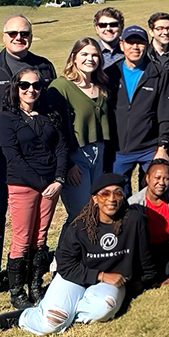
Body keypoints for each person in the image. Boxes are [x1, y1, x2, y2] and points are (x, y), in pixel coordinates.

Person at [0, 174, 157, 333]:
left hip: (110, 284)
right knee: (51, 323)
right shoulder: (80, 226)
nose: (111, 199)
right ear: (95, 199)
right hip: (76, 277)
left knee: (105, 307)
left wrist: (146, 282)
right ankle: (25, 317)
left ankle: (64, 312)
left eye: (118, 193)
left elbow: (145, 258)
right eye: (104, 194)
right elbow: (65, 265)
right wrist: (100, 275)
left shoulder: (134, 220)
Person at [0, 14, 56, 294]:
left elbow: (52, 112)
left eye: (24, 33)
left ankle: (27, 269)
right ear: (3, 36)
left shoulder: (43, 67)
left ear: (31, 36)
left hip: (36, 159)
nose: (18, 37)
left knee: (34, 220)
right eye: (13, 33)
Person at [0, 67, 67, 309]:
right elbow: (13, 158)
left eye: (36, 85)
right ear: (16, 88)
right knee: (22, 238)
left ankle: (35, 285)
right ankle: (17, 292)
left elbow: (60, 148)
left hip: (51, 185)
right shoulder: (7, 119)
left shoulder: (48, 114)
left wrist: (58, 179)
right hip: (22, 184)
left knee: (40, 236)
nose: (31, 90)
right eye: (24, 85)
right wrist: (43, 184)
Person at [48, 38, 110, 231]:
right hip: (76, 156)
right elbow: (55, 129)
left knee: (96, 209)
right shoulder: (61, 86)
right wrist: (69, 163)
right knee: (80, 214)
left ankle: (86, 258)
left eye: (94, 55)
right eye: (84, 54)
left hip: (98, 153)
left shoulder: (101, 85)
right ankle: (62, 258)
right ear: (74, 57)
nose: (89, 59)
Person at [104, 25, 169, 194]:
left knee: (152, 196)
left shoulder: (158, 73)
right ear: (122, 45)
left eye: (140, 43)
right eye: (130, 42)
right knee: (119, 196)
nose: (135, 47)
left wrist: (163, 147)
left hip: (149, 149)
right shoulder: (109, 73)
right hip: (118, 150)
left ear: (147, 45)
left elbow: (165, 111)